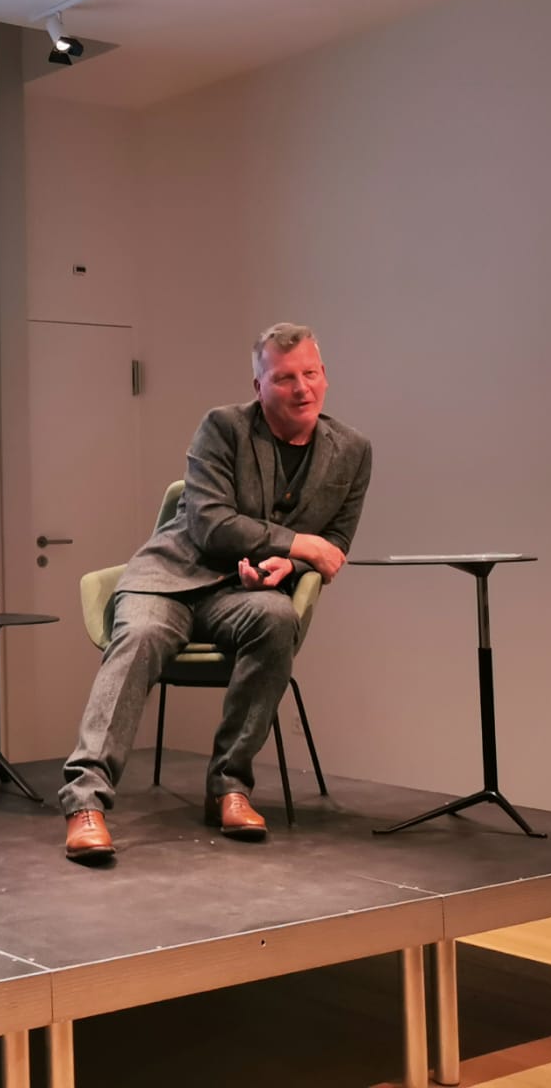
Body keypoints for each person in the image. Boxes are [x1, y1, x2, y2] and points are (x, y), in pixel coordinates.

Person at [61, 323, 372, 862]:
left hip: (241, 595)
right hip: (172, 579)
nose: (301, 388)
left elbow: (334, 544)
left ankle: (230, 785)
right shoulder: (223, 427)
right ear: (258, 387)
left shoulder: (353, 452)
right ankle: (85, 800)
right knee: (140, 636)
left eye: (311, 374)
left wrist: (285, 563)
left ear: (325, 377)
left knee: (277, 619)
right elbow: (210, 524)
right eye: (284, 378)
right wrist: (300, 542)